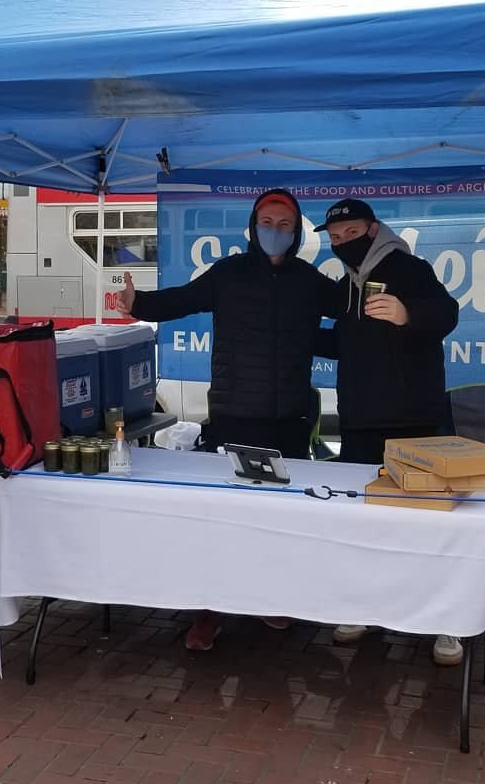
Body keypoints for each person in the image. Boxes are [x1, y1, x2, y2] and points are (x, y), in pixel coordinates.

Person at [119, 188, 334, 651]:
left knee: (281, 518)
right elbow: (183, 299)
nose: (274, 232)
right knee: (222, 516)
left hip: (290, 418)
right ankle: (208, 610)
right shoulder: (230, 273)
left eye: (285, 225)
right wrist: (138, 304)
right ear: (252, 226)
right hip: (235, 414)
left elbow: (352, 314)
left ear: (296, 233)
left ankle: (274, 600)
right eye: (267, 222)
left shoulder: (309, 281)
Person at [315, 198, 463, 666]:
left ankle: (445, 621)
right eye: (335, 239)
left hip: (413, 422)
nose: (343, 244)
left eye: (351, 234)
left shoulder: (410, 268)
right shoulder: (347, 286)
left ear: (373, 229)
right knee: (365, 524)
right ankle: (363, 606)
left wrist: (407, 314)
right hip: (359, 421)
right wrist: (291, 336)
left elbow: (448, 313)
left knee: (427, 524)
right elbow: (347, 344)